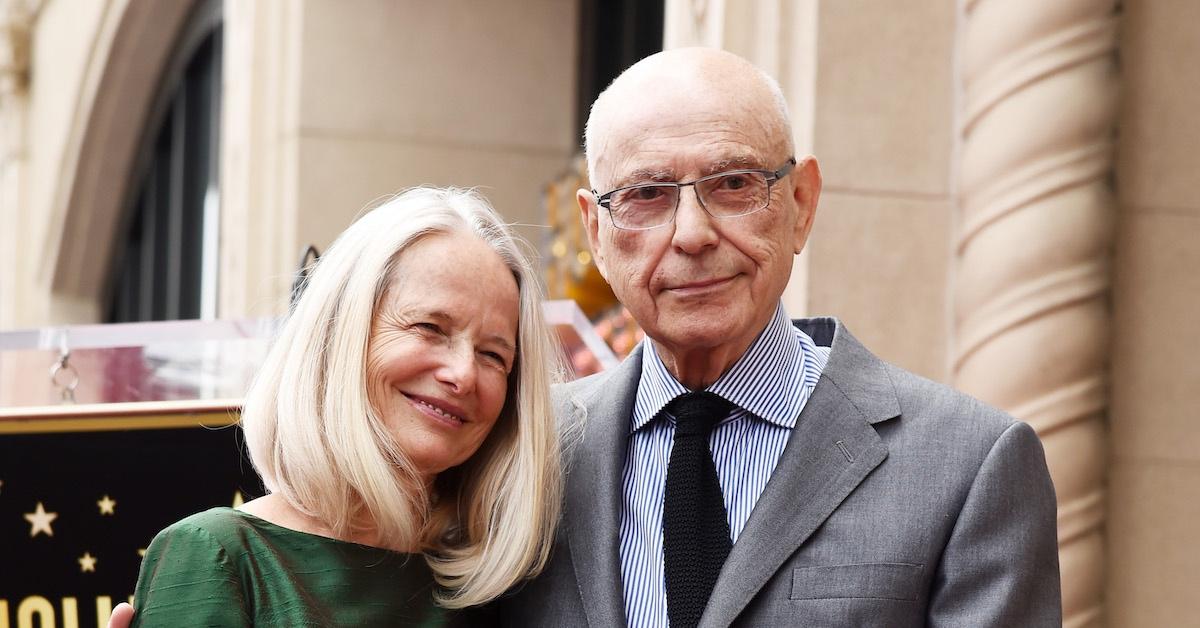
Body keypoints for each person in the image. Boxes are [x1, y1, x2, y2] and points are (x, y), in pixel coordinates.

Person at [494, 48, 1061, 627]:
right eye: (647, 194)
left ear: (801, 204)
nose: (692, 234)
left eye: (733, 183)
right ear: (596, 231)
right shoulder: (525, 452)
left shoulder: (967, 465)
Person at [124, 187, 563, 626]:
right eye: (430, 327)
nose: (463, 373)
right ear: (339, 336)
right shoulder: (217, 555)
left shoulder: (498, 585)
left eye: (493, 355)